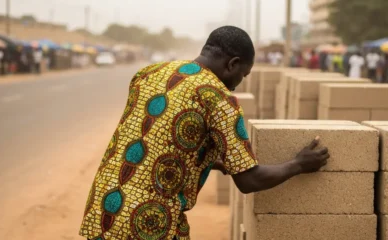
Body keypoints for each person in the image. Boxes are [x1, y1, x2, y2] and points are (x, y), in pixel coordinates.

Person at [79, 26, 329, 240]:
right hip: (146, 222)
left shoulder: (149, 73)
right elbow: (249, 180)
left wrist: (209, 160)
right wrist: (298, 164)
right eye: (243, 74)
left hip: (105, 209)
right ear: (232, 64)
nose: (238, 82)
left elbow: (154, 135)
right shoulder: (218, 98)